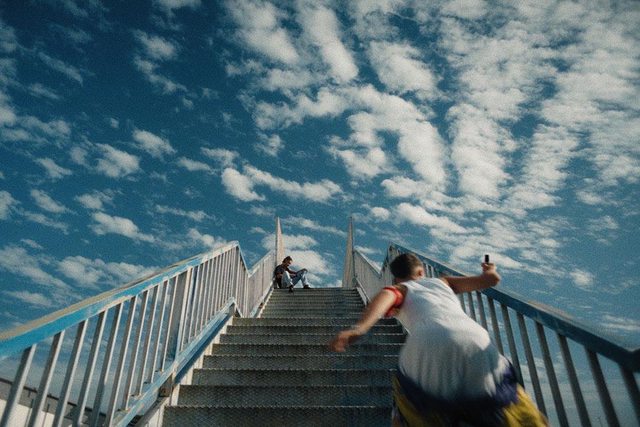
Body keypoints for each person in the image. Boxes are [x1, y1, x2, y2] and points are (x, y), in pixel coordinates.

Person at [329, 253, 547, 426]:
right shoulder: (443, 282)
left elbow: (385, 298)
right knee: (502, 400)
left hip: (427, 342)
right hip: (474, 337)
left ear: (395, 278)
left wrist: (359, 329)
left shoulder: (399, 288)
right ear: (421, 272)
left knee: (407, 402)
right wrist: (489, 269)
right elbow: (491, 280)